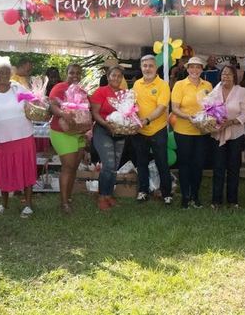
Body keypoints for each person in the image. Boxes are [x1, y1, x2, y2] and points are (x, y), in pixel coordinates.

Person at [0, 56, 37, 217]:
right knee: (4, 171)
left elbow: (34, 101)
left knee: (26, 169)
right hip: (3, 139)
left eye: (6, 72)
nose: (3, 75)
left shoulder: (17, 88)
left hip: (24, 135)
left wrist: (38, 99)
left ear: (11, 74)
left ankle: (28, 204)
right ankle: (4, 204)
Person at [171, 56, 213, 209]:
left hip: (201, 132)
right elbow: (174, 108)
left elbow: (211, 107)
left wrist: (208, 118)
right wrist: (188, 117)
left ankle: (195, 195)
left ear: (202, 69)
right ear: (187, 69)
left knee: (198, 164)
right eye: (192, 67)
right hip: (183, 130)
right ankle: (185, 196)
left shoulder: (207, 85)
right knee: (184, 164)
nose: (195, 70)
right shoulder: (179, 85)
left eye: (198, 67)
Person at [131, 55, 173, 204]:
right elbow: (132, 105)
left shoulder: (163, 85)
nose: (147, 68)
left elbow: (161, 108)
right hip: (140, 131)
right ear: (141, 68)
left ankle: (166, 193)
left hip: (158, 129)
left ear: (156, 67)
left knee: (162, 162)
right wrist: (132, 119)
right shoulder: (136, 84)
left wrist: (146, 120)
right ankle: (143, 191)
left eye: (150, 65)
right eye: (145, 65)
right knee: (141, 163)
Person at [48, 63, 87, 213]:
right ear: (66, 74)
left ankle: (68, 197)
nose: (75, 76)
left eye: (78, 73)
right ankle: (64, 203)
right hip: (61, 132)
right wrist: (63, 114)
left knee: (74, 167)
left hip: (79, 132)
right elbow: (52, 106)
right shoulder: (59, 88)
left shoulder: (82, 91)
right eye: (71, 73)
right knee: (68, 166)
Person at [209, 65, 245, 209]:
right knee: (218, 167)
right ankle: (216, 201)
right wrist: (213, 120)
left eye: (229, 74)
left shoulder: (241, 91)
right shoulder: (214, 91)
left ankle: (233, 201)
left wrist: (231, 122)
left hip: (236, 134)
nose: (226, 77)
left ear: (234, 76)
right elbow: (208, 109)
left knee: (234, 168)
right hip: (218, 134)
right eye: (223, 74)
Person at [90, 65, 127, 210]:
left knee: (115, 166)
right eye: (113, 75)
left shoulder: (125, 94)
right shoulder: (101, 91)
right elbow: (95, 113)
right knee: (108, 164)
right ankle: (102, 196)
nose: (116, 78)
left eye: (119, 76)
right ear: (108, 76)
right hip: (103, 131)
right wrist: (106, 124)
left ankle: (109, 195)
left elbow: (129, 112)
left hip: (120, 132)